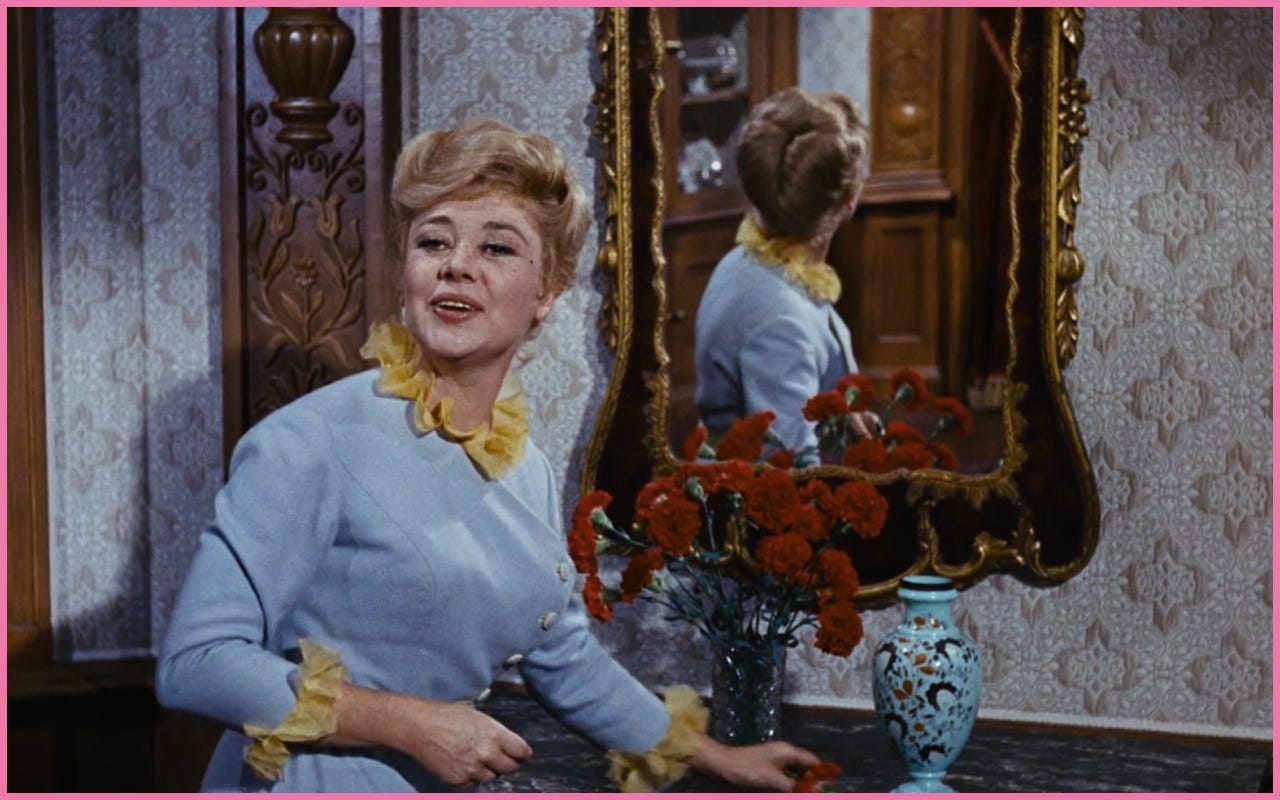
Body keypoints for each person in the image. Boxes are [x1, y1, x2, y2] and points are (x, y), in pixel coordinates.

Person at [156, 118, 821, 792]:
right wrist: (412, 724)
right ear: (406, 270)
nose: (457, 264)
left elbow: (564, 658)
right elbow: (197, 664)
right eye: (433, 240)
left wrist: (721, 758)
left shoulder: (525, 468)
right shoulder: (309, 441)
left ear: (548, 293)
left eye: (497, 247)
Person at [694, 87, 876, 466]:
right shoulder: (781, 322)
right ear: (849, 202)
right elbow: (790, 469)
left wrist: (841, 418)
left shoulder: (742, 261)